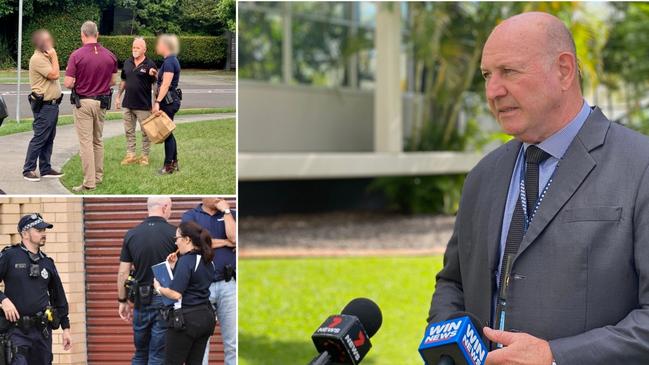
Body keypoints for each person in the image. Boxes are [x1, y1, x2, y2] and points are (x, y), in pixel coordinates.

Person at [428, 12, 649, 365]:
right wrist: (452, 349)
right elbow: (453, 283)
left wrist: (554, 356)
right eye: (487, 75)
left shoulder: (640, 166)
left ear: (563, 70)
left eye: (509, 72)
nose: (492, 91)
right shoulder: (482, 176)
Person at [0, 213, 72, 364]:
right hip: (16, 331)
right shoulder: (9, 256)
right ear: (25, 234)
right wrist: (3, 300)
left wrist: (65, 328)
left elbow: (58, 296)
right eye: (39, 231)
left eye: (44, 230)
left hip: (42, 332)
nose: (43, 234)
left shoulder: (47, 262)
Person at [117, 196, 177, 365]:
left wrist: (122, 300)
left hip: (140, 300)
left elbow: (123, 273)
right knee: (158, 356)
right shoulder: (175, 234)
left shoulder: (132, 234)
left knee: (140, 353)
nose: (170, 212)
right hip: (164, 299)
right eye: (171, 208)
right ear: (165, 207)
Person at [64, 20, 118, 192]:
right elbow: (113, 81)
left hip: (84, 102)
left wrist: (79, 81)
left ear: (82, 35)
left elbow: (68, 83)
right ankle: (98, 176)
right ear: (97, 34)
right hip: (101, 102)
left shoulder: (76, 55)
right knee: (98, 140)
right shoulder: (110, 56)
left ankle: (89, 182)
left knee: (85, 142)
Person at [181, 198, 236, 365]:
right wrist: (226, 242)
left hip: (229, 286)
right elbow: (196, 245)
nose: (218, 197)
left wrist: (226, 211)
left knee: (233, 343)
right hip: (201, 288)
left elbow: (234, 237)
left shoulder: (232, 214)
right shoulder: (190, 216)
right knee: (200, 344)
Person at [153, 221, 217, 365]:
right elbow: (194, 284)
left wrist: (158, 288)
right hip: (206, 317)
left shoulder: (187, 260)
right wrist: (174, 267)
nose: (176, 243)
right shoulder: (208, 260)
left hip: (186, 320)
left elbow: (176, 294)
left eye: (177, 239)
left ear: (187, 239)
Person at [23, 29, 64, 182]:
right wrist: (54, 56)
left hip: (52, 105)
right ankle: (28, 169)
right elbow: (54, 74)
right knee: (40, 137)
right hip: (45, 105)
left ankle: (45, 168)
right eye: (47, 40)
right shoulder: (38, 59)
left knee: (49, 137)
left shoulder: (44, 57)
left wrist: (51, 57)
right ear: (41, 43)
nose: (51, 42)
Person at [116, 37, 158, 166]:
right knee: (129, 131)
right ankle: (131, 154)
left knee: (146, 132)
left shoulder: (150, 64)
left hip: (143, 105)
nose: (134, 50)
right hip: (128, 103)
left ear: (144, 49)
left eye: (137, 48)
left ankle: (145, 156)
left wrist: (156, 103)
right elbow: (123, 81)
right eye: (133, 47)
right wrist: (118, 96)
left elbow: (155, 85)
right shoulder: (127, 62)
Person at [153, 34, 181, 175]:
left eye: (159, 44)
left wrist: (157, 102)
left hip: (168, 101)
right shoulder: (169, 61)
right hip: (170, 100)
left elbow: (166, 84)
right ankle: (174, 162)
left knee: (167, 133)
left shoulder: (170, 62)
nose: (157, 46)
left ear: (165, 46)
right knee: (168, 132)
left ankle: (168, 165)